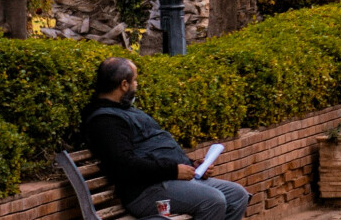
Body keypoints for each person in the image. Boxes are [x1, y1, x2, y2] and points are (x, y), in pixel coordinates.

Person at [84, 57, 248, 220]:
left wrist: (192, 166)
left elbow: (153, 149)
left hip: (168, 180)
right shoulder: (106, 121)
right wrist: (173, 170)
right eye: (135, 81)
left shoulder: (124, 110)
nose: (137, 85)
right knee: (213, 201)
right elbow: (124, 165)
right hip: (146, 190)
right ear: (124, 85)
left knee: (237, 195)